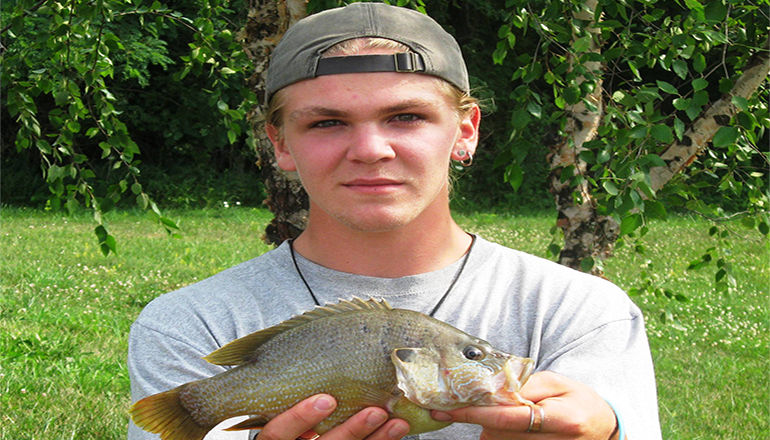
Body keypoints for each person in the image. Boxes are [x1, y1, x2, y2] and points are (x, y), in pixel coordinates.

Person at [128, 3, 662, 440]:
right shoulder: (188, 327)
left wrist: (606, 431)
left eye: (406, 117)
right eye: (327, 122)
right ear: (281, 143)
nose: (370, 149)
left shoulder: (580, 316)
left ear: (465, 131)